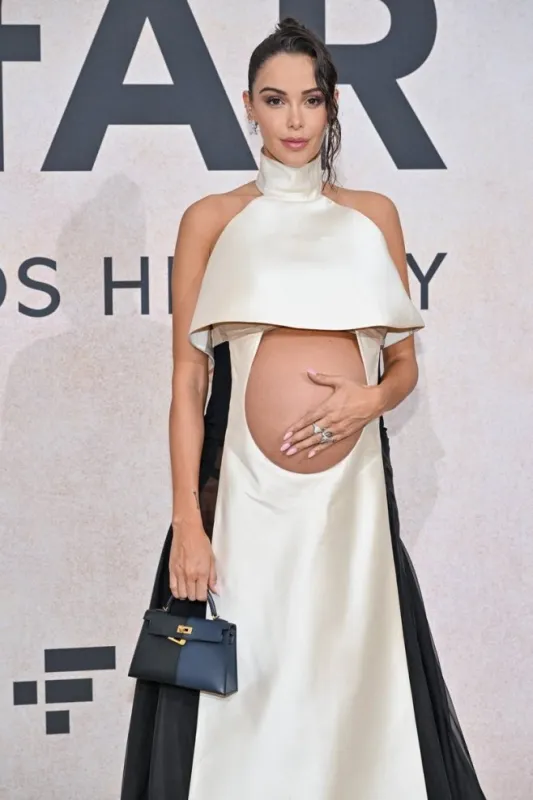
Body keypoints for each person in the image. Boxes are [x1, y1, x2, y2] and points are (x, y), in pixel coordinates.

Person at [121, 17, 487, 800]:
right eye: (274, 100)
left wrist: (370, 400)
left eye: (310, 100)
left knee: (352, 693)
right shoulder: (212, 220)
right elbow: (190, 381)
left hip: (347, 502)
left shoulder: (372, 214)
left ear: (331, 108)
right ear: (247, 106)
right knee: (246, 701)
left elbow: (401, 364)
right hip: (242, 504)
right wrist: (188, 519)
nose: (293, 120)